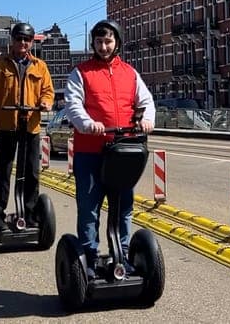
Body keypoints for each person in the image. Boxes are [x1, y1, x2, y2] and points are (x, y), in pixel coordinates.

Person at [63, 19, 155, 277]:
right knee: (89, 207)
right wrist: (87, 123)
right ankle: (89, 259)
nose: (104, 46)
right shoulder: (81, 73)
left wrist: (147, 120)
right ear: (93, 43)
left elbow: (145, 101)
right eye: (99, 42)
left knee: (123, 206)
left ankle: (122, 256)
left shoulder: (129, 72)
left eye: (108, 41)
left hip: (123, 151)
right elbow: (73, 104)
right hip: (90, 151)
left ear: (117, 43)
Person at [0, 22, 54, 226]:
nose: (23, 43)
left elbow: (48, 91)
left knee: (31, 173)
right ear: (12, 41)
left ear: (31, 42)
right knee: (3, 172)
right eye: (19, 39)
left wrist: (46, 103)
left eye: (27, 39)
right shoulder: (0, 64)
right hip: (7, 126)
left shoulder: (40, 66)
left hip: (31, 127)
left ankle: (30, 214)